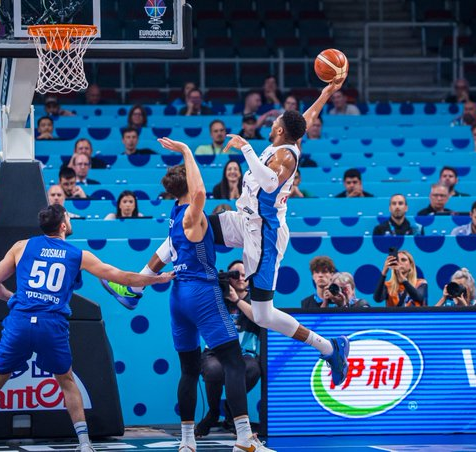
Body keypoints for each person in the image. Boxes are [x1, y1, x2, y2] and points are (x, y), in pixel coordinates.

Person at [105, 79, 352, 387]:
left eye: (275, 121)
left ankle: (329, 348)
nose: (272, 122)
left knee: (263, 315)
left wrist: (246, 148)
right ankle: (134, 289)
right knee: (183, 230)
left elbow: (270, 183)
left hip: (264, 235)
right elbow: (307, 117)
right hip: (243, 219)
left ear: (279, 130)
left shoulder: (286, 156)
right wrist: (327, 91)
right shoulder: (288, 139)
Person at [0, 204, 174, 452]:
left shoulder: (21, 246)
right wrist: (157, 279)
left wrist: (14, 299)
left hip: (20, 322)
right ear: (63, 225)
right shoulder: (78, 255)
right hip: (51, 325)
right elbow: (122, 277)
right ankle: (84, 444)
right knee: (67, 381)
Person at [102, 138, 273, 452]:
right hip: (201, 293)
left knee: (189, 370)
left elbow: (162, 254)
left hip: (178, 296)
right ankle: (244, 438)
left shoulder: (173, 216)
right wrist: (186, 151)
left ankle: (187, 441)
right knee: (234, 363)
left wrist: (140, 283)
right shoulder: (192, 216)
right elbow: (200, 192)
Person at [196, 260, 262, 437]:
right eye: (235, 274)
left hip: (245, 353)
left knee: (252, 369)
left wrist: (236, 300)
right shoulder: (217, 298)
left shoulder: (257, 299)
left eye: (244, 275)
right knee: (213, 369)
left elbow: (260, 318)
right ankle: (213, 412)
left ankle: (231, 410)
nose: (240, 278)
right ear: (228, 278)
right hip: (216, 351)